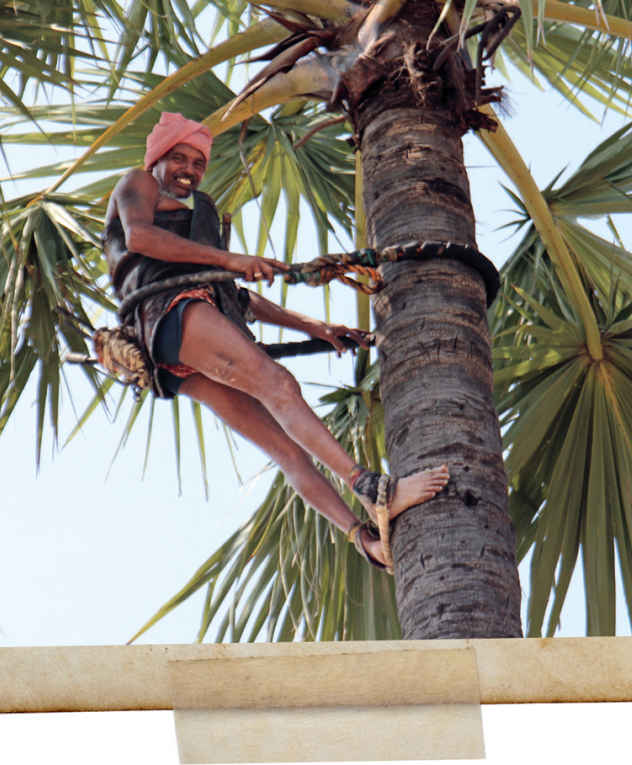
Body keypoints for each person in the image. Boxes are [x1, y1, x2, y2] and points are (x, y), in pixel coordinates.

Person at [103, 112, 449, 569]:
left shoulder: (198, 217)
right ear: (156, 158)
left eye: (198, 162)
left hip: (177, 345)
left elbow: (236, 297)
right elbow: (140, 238)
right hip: (167, 313)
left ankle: (365, 541)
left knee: (284, 448)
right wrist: (230, 258)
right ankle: (371, 489)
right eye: (178, 158)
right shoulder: (138, 183)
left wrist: (315, 327)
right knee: (279, 387)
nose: (188, 169)